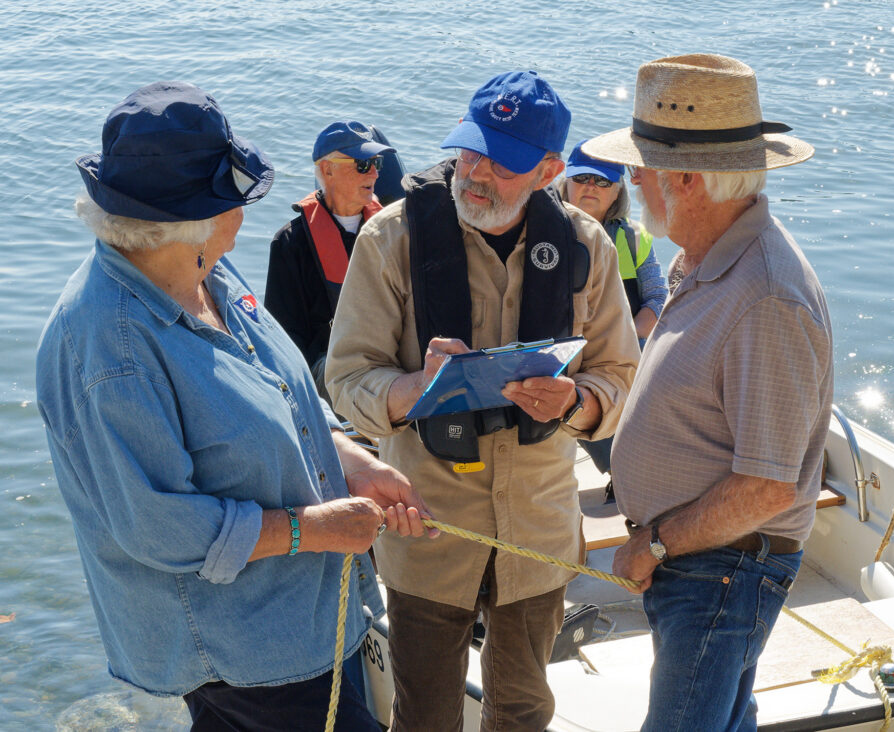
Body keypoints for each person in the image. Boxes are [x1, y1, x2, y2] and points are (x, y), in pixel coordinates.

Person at [35, 82, 436, 732]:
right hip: (244, 656)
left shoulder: (205, 269)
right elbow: (160, 529)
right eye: (229, 200)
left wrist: (352, 459)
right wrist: (317, 529)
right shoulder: (109, 348)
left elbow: (283, 397)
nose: (243, 215)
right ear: (182, 222)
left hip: (307, 623)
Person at [325, 70, 640, 731]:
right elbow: (347, 379)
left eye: (502, 164)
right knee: (426, 717)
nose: (475, 173)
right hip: (429, 531)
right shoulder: (390, 239)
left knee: (524, 710)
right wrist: (415, 389)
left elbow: (620, 376)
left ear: (550, 168)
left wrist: (575, 403)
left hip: (539, 532)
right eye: (470, 151)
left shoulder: (588, 246)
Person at [586, 54, 834, 731]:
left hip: (721, 571)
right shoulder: (701, 255)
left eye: (642, 168)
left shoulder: (766, 299)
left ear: (687, 181)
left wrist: (655, 544)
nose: (631, 180)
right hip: (704, 566)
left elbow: (766, 490)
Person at [558, 140, 667, 489]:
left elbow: (657, 299)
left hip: (621, 350)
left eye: (602, 180)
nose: (590, 186)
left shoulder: (635, 239)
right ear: (565, 181)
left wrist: (621, 339)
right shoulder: (540, 232)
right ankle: (626, 474)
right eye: (582, 178)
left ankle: (630, 473)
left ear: (618, 188)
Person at [264, 120, 396, 402]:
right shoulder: (291, 243)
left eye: (376, 163)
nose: (373, 173)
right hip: (329, 369)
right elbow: (286, 339)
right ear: (328, 170)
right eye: (362, 164)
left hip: (388, 356)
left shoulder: (393, 231)